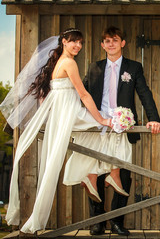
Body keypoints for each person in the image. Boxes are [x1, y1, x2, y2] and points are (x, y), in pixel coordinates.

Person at [0, 29, 112, 234]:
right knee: (102, 128)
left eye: (80, 42)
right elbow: (84, 94)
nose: (77, 46)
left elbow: (49, 95)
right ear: (63, 42)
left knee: (92, 135)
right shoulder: (69, 63)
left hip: (62, 111)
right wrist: (102, 118)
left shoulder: (58, 62)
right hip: (70, 112)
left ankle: (88, 172)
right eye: (73, 42)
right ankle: (90, 172)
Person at [63, 26, 160, 236]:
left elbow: (144, 93)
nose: (111, 44)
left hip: (122, 128)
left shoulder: (134, 68)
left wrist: (153, 119)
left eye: (115, 40)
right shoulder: (94, 67)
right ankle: (97, 222)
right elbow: (82, 94)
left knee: (123, 176)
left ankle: (117, 222)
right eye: (107, 40)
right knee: (95, 175)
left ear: (122, 43)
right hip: (98, 127)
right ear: (102, 45)